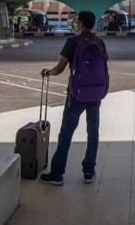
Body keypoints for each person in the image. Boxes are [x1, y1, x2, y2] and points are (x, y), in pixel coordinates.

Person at [39, 11, 108, 186]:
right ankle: (89, 172)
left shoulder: (73, 42)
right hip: (96, 94)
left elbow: (60, 68)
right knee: (93, 133)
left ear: (80, 23)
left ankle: (57, 174)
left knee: (66, 132)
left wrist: (48, 72)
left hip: (77, 95)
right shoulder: (99, 42)